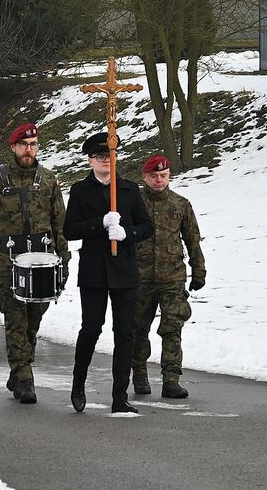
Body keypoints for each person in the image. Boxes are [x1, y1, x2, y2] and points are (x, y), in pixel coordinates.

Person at [0, 124, 69, 404]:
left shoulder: (48, 180)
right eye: (24, 144)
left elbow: (59, 223)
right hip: (9, 263)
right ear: (13, 147)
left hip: (42, 262)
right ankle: (25, 378)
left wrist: (64, 259)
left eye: (34, 144)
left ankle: (19, 368)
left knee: (33, 319)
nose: (29, 149)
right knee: (15, 319)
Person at [64, 132, 154, 414]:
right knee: (91, 328)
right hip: (94, 271)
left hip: (124, 271)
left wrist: (127, 233)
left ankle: (120, 396)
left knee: (124, 334)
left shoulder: (129, 190)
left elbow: (147, 226)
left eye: (110, 156)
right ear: (90, 161)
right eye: (100, 156)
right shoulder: (80, 191)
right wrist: (99, 223)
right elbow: (70, 230)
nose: (106, 161)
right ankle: (78, 385)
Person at [132, 154, 206, 399]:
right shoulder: (134, 203)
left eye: (163, 175)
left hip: (172, 276)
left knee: (172, 327)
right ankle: (139, 373)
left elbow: (193, 240)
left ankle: (171, 379)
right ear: (145, 177)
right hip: (140, 276)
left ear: (169, 176)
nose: (159, 180)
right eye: (154, 176)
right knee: (137, 328)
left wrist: (199, 270)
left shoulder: (180, 204)